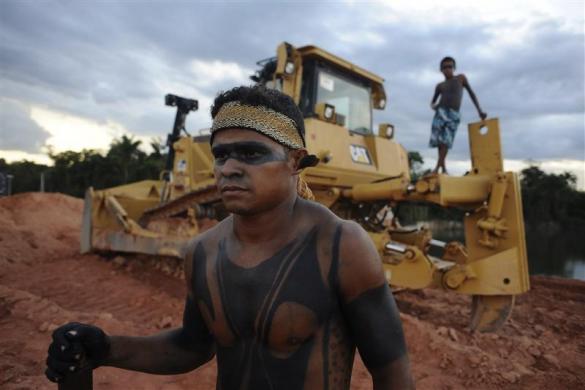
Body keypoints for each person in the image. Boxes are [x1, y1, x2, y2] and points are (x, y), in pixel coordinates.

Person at [46, 86, 414, 389]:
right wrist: (106, 348)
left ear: (294, 161)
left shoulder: (339, 247)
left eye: (251, 153)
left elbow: (392, 373)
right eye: (221, 155)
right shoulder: (203, 251)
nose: (229, 168)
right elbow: (193, 345)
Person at [430, 56, 487, 174]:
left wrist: (479, 110)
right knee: (439, 142)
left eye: (450, 67)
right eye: (444, 67)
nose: (447, 69)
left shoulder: (461, 78)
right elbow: (433, 102)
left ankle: (437, 168)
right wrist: (434, 107)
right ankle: (443, 168)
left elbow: (472, 94)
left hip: (453, 114)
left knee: (446, 140)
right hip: (440, 113)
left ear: (454, 68)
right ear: (441, 70)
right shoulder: (440, 86)